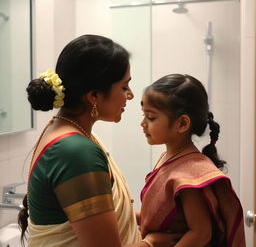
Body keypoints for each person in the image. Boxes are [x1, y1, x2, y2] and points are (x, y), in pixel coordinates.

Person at [17, 35, 180, 247]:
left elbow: (94, 221)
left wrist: (154, 219)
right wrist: (152, 243)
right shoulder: (75, 151)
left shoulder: (64, 131)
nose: (130, 95)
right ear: (94, 95)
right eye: (124, 86)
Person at [139, 73, 246, 247]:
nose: (143, 123)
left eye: (151, 117)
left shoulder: (189, 174)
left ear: (182, 124)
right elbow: (158, 215)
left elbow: (201, 233)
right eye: (143, 115)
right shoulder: (167, 158)